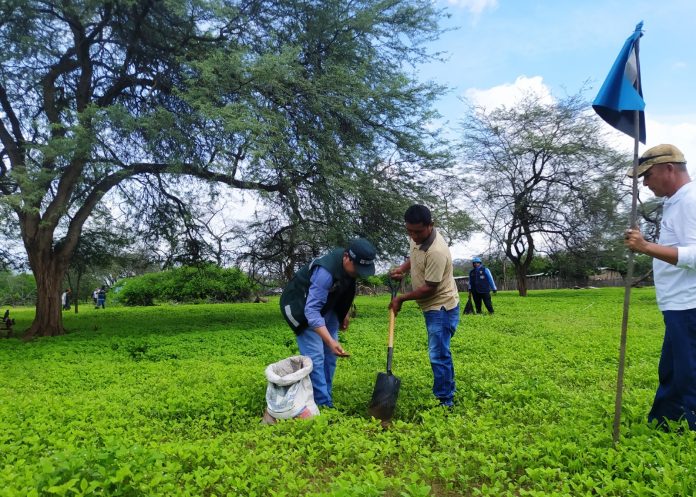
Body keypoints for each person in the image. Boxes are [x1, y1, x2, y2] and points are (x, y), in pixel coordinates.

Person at [624, 144, 696, 431]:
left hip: (690, 305)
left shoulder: (690, 201)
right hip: (678, 304)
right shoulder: (676, 202)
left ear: (669, 169)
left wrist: (645, 247)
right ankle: (664, 422)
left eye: (648, 175)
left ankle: (689, 427)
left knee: (689, 372)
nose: (644, 183)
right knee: (673, 369)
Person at [280, 238, 377, 408]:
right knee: (316, 357)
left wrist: (344, 313)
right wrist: (330, 341)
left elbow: (344, 288)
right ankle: (322, 404)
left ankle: (326, 396)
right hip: (301, 307)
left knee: (330, 355)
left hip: (327, 306)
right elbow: (311, 312)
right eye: (357, 268)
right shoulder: (325, 272)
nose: (359, 273)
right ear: (346, 257)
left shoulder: (349, 268)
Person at [389, 205, 460, 407]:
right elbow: (414, 256)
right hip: (431, 306)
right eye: (409, 231)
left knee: (438, 354)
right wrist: (402, 269)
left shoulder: (437, 251)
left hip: (441, 307)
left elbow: (430, 288)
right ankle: (446, 393)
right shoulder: (416, 236)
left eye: (417, 232)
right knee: (440, 352)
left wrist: (401, 299)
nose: (413, 236)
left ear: (431, 225)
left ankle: (445, 401)